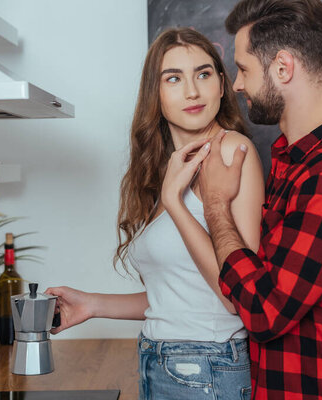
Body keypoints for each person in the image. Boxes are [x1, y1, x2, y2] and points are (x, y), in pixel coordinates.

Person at [46, 28, 264, 400]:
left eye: (204, 74)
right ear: (156, 94)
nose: (192, 91)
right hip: (162, 362)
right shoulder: (169, 169)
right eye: (174, 78)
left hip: (207, 367)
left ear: (223, 85)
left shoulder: (232, 152)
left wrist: (175, 203)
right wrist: (93, 304)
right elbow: (179, 297)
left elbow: (236, 298)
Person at [196, 1, 322, 399]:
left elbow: (265, 311)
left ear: (283, 68)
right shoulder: (296, 159)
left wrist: (215, 204)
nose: (236, 84)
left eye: (245, 69)